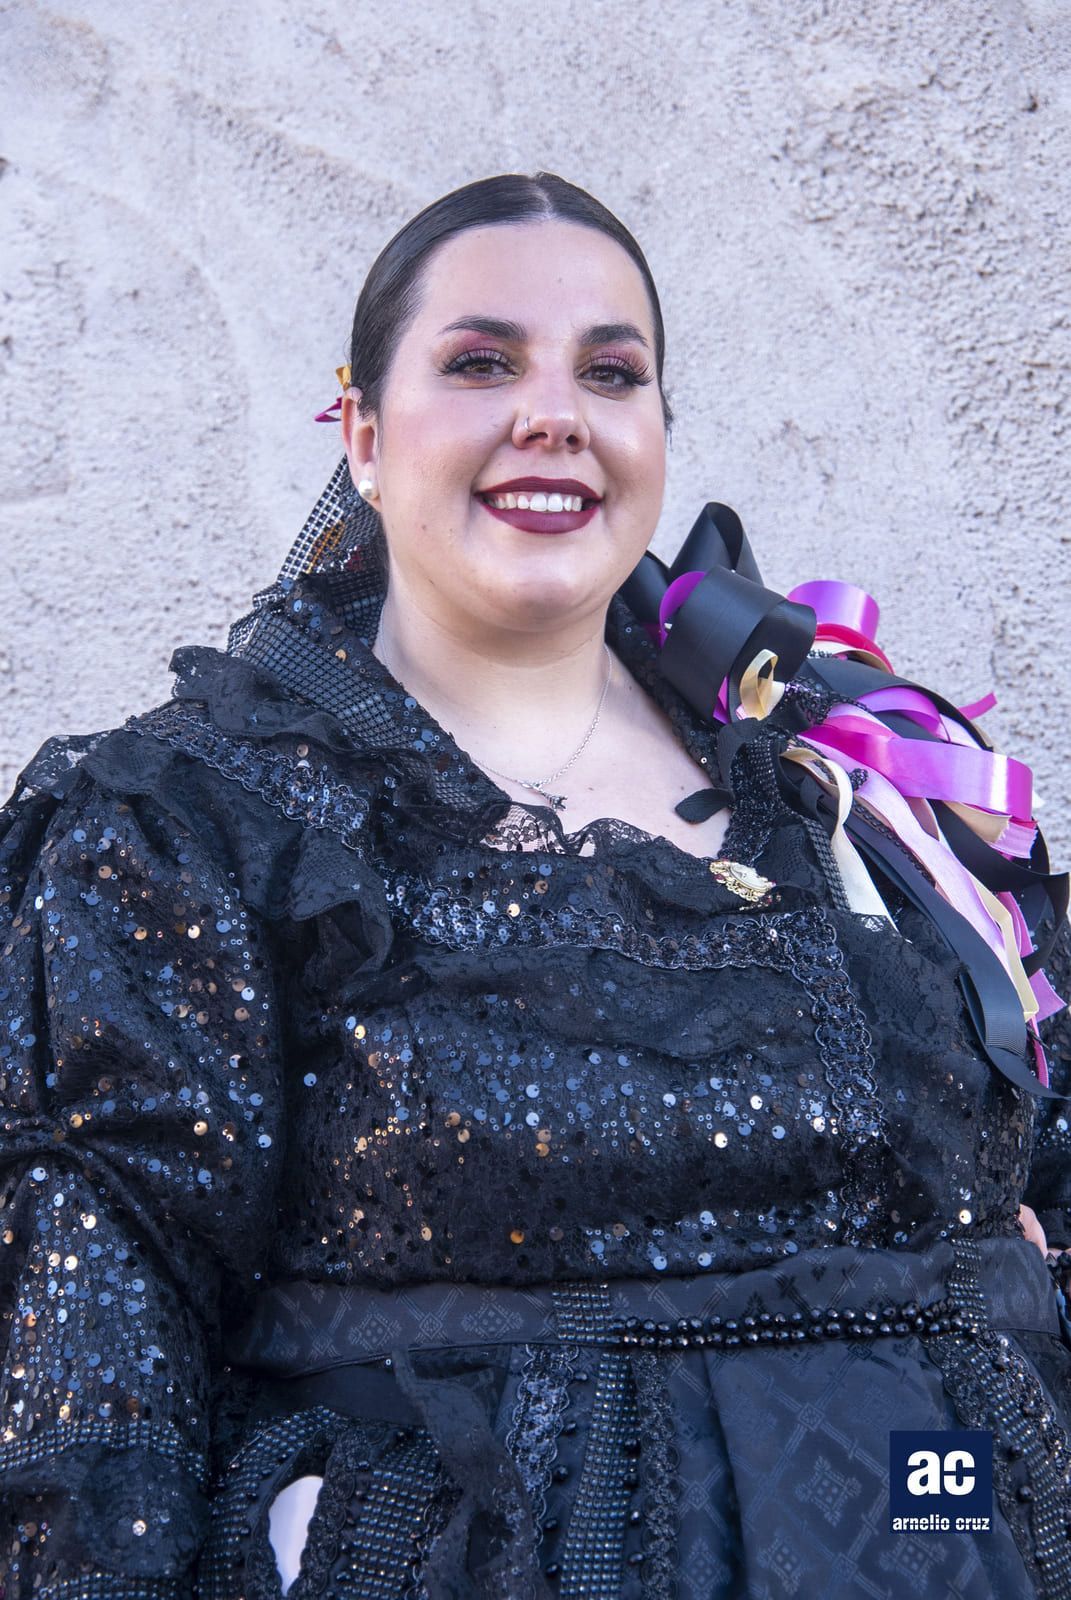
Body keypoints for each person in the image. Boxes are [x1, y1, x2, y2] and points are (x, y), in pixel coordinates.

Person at [1, 170, 1069, 1600]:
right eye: (482, 362)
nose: (553, 411)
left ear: (658, 434)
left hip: (948, 1541)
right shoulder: (195, 825)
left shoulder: (844, 787)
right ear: (366, 438)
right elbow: (94, 1368)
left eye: (610, 372)